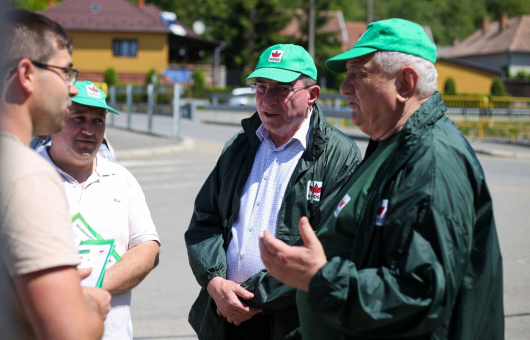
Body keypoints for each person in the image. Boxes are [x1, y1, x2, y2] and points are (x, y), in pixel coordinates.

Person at [259, 18, 504, 339]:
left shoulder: (431, 162)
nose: (345, 87)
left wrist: (319, 278)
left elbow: (418, 295)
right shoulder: (393, 144)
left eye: (358, 74)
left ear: (405, 83)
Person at [185, 44, 362, 340]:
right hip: (222, 313)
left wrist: (252, 296)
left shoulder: (339, 156)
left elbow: (331, 246)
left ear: (313, 95)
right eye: (261, 87)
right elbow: (205, 221)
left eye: (281, 89)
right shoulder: (241, 145)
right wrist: (214, 281)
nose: (267, 99)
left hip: (289, 321)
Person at [0, 10, 110, 339]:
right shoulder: (27, 174)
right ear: (26, 74)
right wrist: (92, 306)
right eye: (65, 72)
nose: (73, 88)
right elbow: (69, 333)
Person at [37, 80, 161, 340]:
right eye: (78, 118)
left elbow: (148, 249)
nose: (89, 130)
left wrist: (92, 289)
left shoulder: (121, 178)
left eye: (98, 121)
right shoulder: (25, 176)